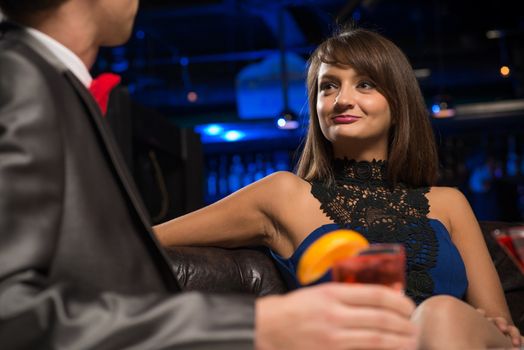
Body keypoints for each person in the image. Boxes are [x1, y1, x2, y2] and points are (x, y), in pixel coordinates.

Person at [0, 2, 419, 349]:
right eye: (328, 87)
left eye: (366, 85)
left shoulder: (47, 83)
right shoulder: (17, 78)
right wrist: (259, 324)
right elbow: (11, 311)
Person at [155, 27, 523, 349]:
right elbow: (146, 239)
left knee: (440, 314)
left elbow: (499, 326)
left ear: (398, 103)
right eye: (328, 86)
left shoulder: (448, 203)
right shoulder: (283, 195)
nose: (342, 99)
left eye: (364, 84)